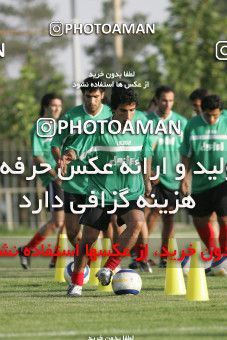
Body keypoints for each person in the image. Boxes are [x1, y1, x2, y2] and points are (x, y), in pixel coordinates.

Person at [61, 84, 154, 296]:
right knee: (88, 239)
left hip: (129, 191)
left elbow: (145, 155)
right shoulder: (98, 130)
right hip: (101, 191)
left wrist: (147, 181)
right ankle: (76, 283)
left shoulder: (141, 129)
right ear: (113, 109)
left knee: (138, 223)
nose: (128, 115)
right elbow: (76, 148)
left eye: (132, 110)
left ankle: (108, 268)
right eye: (123, 110)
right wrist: (67, 157)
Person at [51, 77, 112, 248]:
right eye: (88, 96)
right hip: (74, 181)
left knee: (107, 226)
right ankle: (88, 260)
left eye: (95, 96)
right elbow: (56, 143)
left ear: (102, 95)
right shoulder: (71, 117)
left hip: (101, 181)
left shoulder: (111, 114)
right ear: (83, 96)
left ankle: (110, 265)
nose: (91, 101)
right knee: (71, 232)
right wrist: (59, 161)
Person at [180, 94, 227, 275]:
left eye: (215, 115)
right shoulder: (192, 125)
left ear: (220, 112)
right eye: (208, 115)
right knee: (199, 220)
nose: (212, 119)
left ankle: (224, 257)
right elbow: (186, 154)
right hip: (200, 182)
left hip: (223, 181)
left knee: (224, 219)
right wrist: (184, 177)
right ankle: (216, 257)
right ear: (202, 111)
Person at [18, 93, 65, 269]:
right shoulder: (38, 128)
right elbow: (37, 156)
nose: (57, 109)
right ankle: (27, 250)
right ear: (45, 106)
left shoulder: (62, 126)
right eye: (53, 105)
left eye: (59, 106)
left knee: (68, 221)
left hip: (66, 177)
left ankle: (55, 260)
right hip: (53, 179)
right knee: (57, 222)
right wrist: (55, 174)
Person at [144, 86, 187, 268]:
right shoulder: (146, 121)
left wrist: (184, 177)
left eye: (170, 100)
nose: (167, 104)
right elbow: (142, 149)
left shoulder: (181, 122)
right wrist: (148, 172)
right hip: (153, 177)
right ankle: (142, 257)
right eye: (163, 100)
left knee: (169, 216)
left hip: (173, 177)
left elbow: (187, 152)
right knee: (150, 214)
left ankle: (164, 257)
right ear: (156, 100)